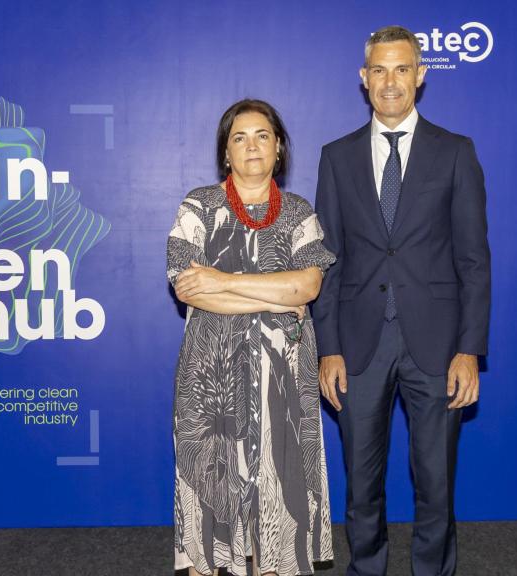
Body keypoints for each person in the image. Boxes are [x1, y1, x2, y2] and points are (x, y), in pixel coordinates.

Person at [313, 26, 491, 576]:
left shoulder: (456, 152)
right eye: (380, 71)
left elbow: (474, 261)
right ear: (364, 80)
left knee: (435, 482)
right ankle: (366, 569)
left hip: (437, 347)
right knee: (361, 485)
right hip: (359, 345)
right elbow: (328, 261)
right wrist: (329, 348)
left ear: (421, 74)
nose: (391, 82)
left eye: (402, 69)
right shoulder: (336, 158)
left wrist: (469, 350)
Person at [168, 99, 336, 576]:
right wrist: (276, 296)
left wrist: (220, 280)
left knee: (279, 497)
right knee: (213, 494)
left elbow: (308, 286)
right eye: (239, 138)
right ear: (226, 153)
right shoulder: (198, 206)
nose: (251, 146)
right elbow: (186, 287)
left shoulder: (299, 211)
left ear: (278, 147)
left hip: (284, 378)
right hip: (211, 378)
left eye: (262, 135)